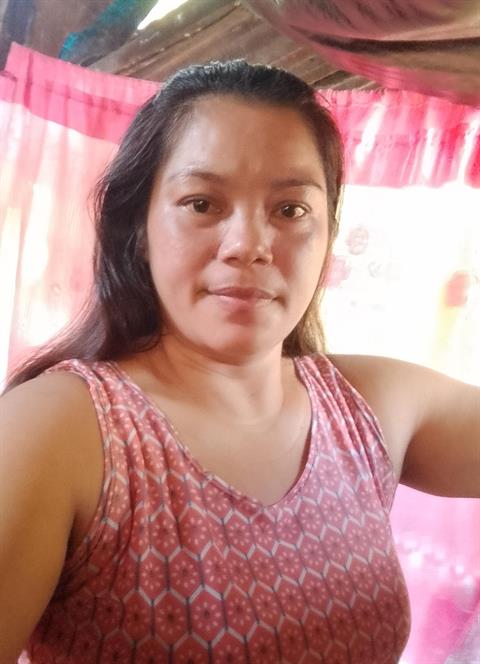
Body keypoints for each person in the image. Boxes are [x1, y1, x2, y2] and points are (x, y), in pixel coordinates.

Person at [0, 60, 478, 664]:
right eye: (202, 203)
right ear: (138, 229)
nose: (249, 245)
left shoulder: (371, 407)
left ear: (328, 234)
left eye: (290, 210)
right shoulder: (55, 431)